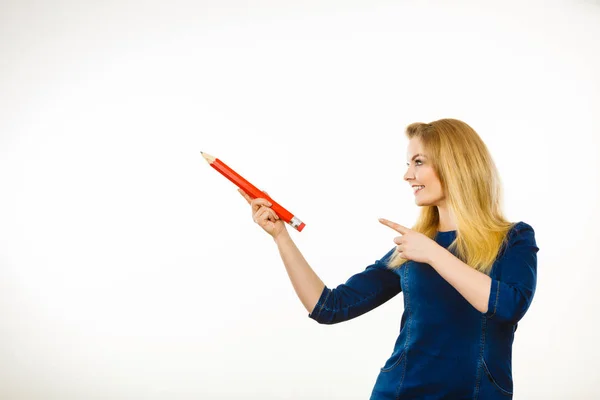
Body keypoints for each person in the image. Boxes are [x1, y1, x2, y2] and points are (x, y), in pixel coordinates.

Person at [238, 118, 538, 400]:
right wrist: (281, 236)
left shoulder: (513, 238)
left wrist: (433, 253)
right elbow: (329, 307)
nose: (408, 175)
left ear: (455, 165)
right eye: (408, 164)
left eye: (418, 162)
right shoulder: (413, 247)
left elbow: (509, 307)